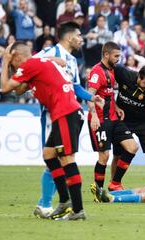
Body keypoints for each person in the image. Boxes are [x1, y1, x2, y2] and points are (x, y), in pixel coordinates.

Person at [0, 42, 101, 220]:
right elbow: (19, 90)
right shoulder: (39, 65)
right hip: (65, 113)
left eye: (13, 62)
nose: (14, 67)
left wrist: (4, 62)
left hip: (66, 113)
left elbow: (5, 88)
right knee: (49, 154)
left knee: (67, 159)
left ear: (17, 57)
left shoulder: (30, 64)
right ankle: (64, 201)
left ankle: (78, 210)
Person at [33, 22, 103, 218]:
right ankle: (49, 203)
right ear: (68, 36)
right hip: (50, 113)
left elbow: (75, 87)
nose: (82, 39)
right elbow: (28, 63)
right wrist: (50, 60)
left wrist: (92, 98)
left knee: (59, 158)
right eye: (79, 35)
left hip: (69, 113)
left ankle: (49, 204)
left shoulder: (72, 60)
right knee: (54, 158)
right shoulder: (49, 52)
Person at [87, 41, 138, 200]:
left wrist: (115, 107)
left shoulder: (112, 71)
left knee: (132, 147)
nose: (118, 59)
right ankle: (98, 191)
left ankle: (115, 182)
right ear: (106, 55)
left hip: (114, 118)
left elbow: (108, 94)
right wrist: (94, 115)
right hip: (101, 120)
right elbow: (90, 95)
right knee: (104, 156)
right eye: (116, 56)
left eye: (119, 56)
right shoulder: (96, 72)